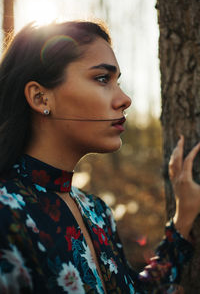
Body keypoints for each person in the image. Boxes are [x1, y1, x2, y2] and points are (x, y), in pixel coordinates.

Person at [0, 20, 199, 294]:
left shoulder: (97, 211)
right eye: (102, 78)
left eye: (118, 81)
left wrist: (183, 217)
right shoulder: (6, 215)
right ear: (40, 97)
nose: (125, 99)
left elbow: (131, 289)